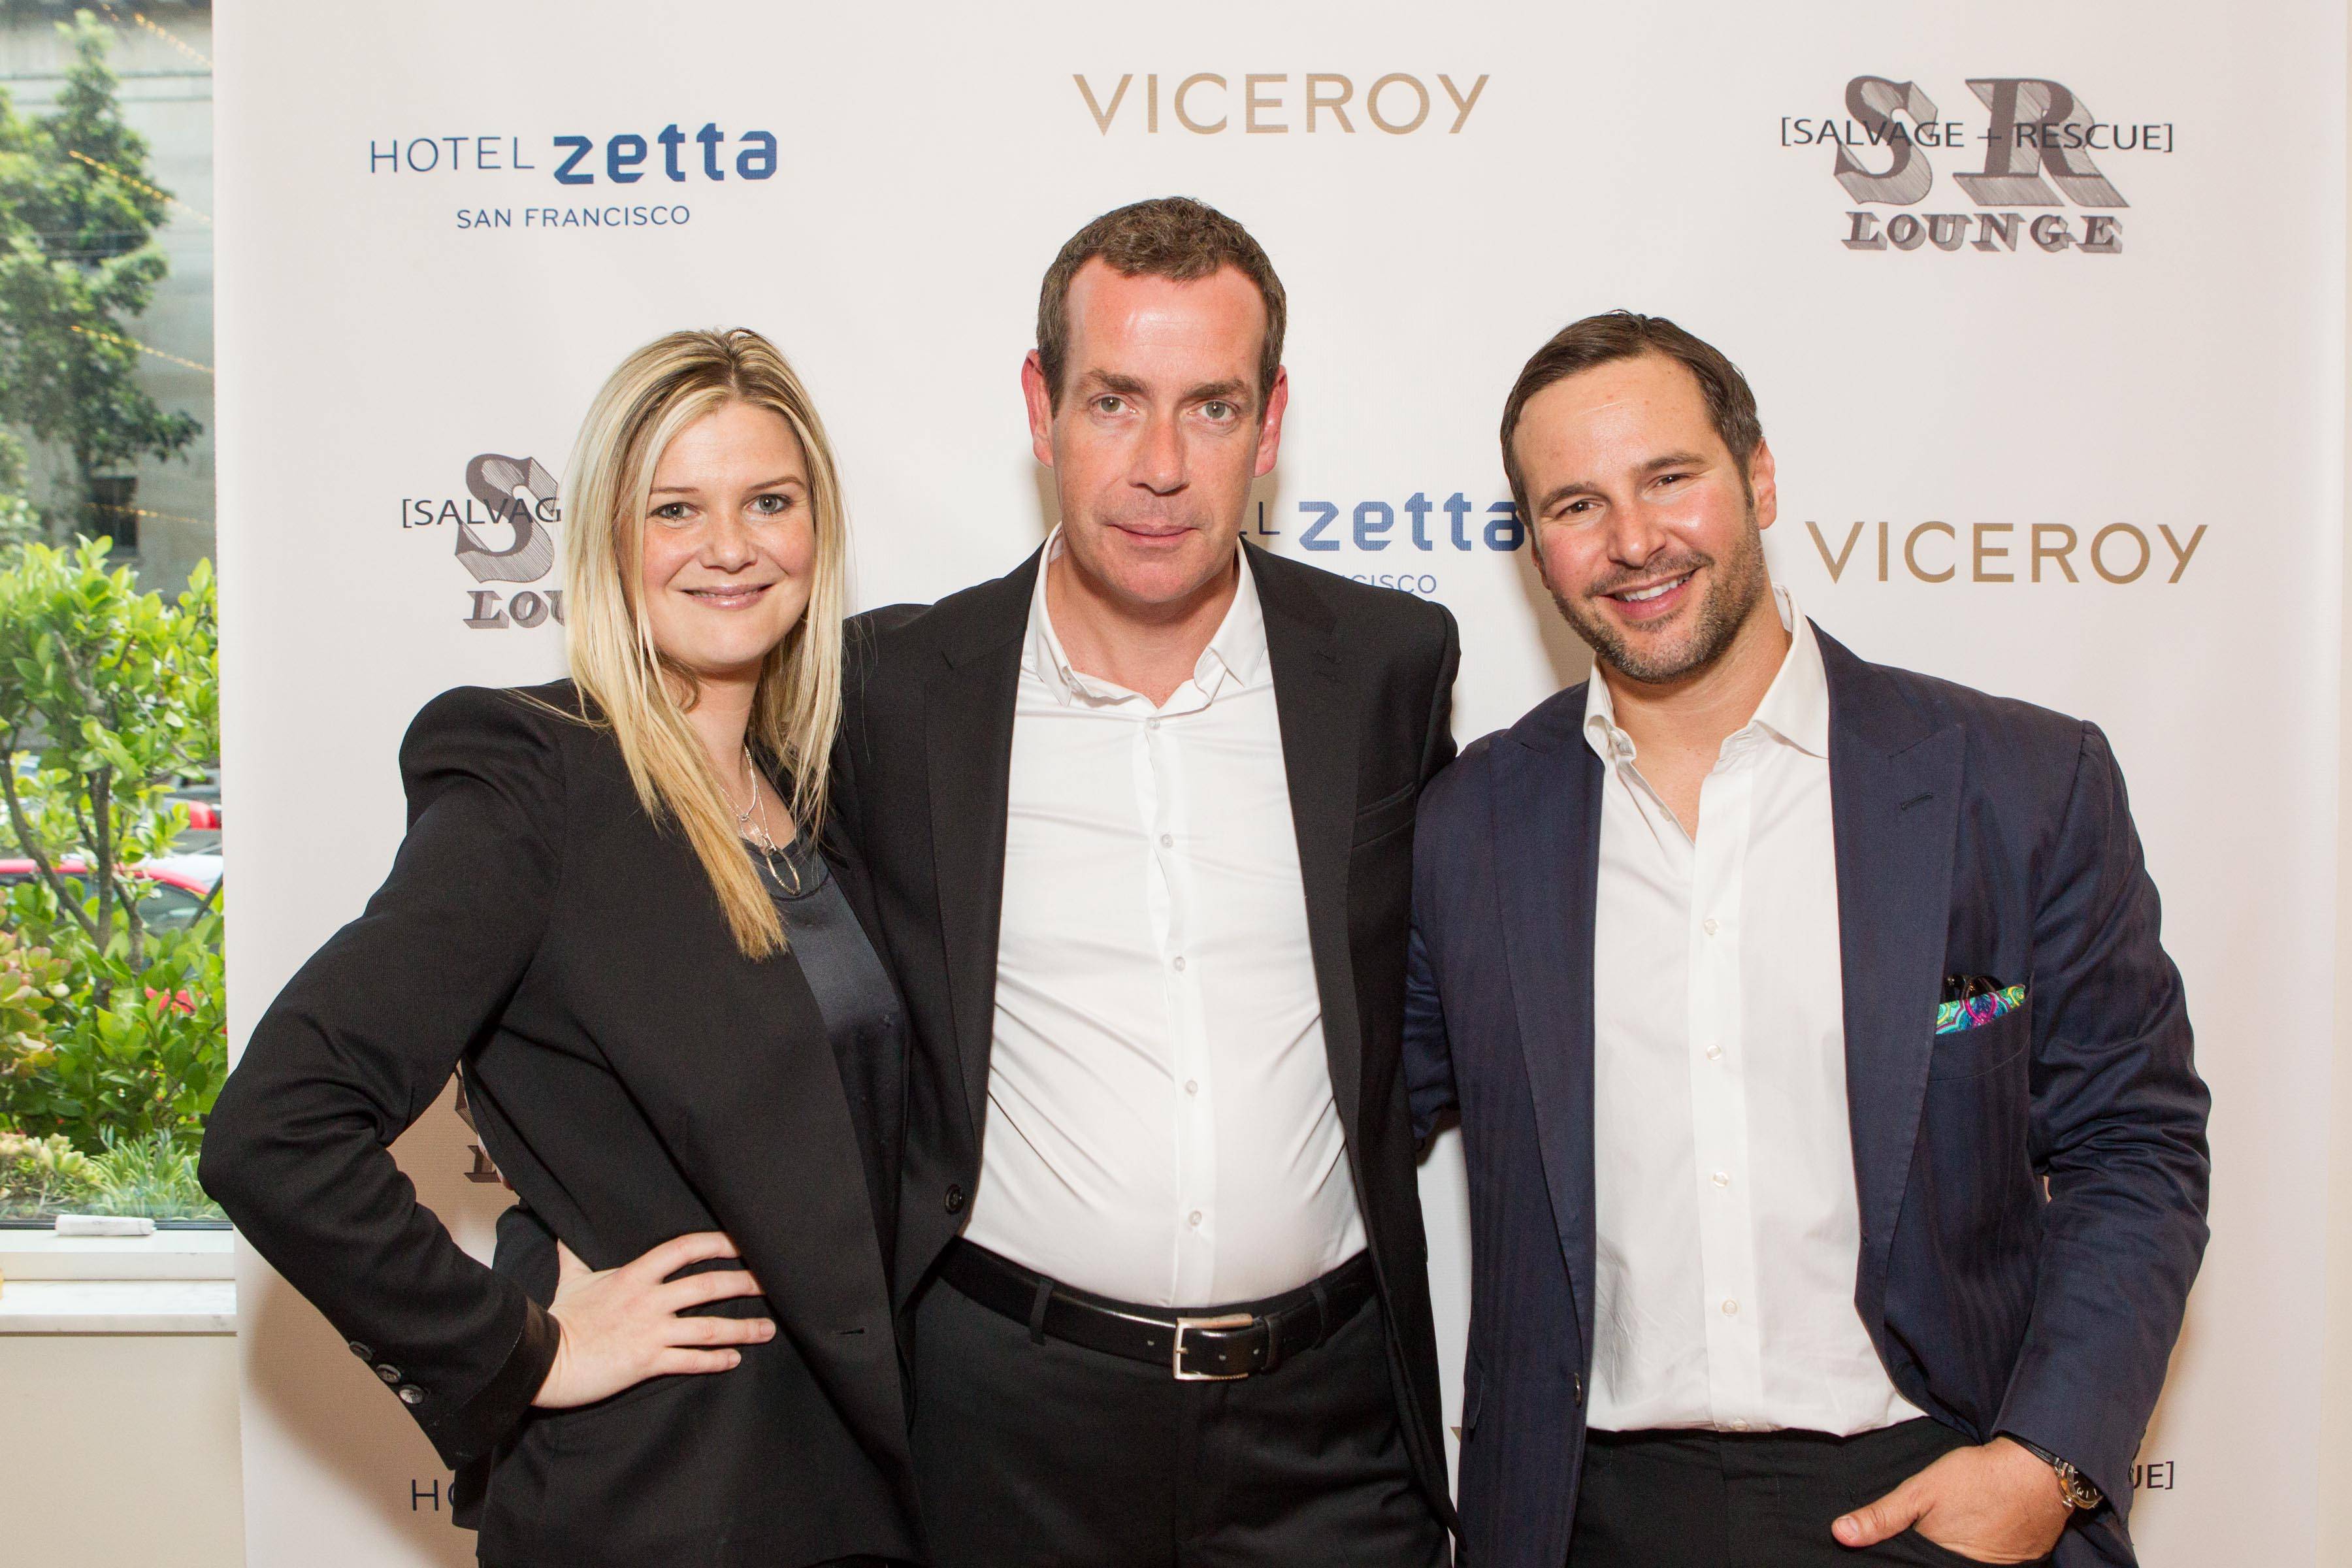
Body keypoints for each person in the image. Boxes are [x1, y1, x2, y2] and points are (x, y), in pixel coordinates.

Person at [1403, 312, 2210, 1568]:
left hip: (1933, 1495)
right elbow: (1340, 1127)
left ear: (1759, 478)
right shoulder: (1470, 826)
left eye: (1670, 478)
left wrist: (2044, 1463)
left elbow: (2135, 1146)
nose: (1634, 540)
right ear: (1535, 546)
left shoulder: (2018, 784)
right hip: (1584, 1518)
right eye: (1577, 505)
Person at [200, 329, 919, 1568]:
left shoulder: (821, 788)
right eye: (675, 509)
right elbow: (275, 1128)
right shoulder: (533, 780)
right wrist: (524, 1347)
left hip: (861, 1487)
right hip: (663, 1501)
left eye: (769, 502)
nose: (731, 547)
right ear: (605, 537)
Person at [826, 197, 1458, 1565]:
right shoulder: (889, 696)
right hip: (1004, 1429)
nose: (1161, 467)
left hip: (1331, 1432)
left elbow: (1443, 986)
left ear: (1270, 424)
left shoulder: (1388, 667)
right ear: (1041, 405)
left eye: (1211, 408)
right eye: (1114, 401)